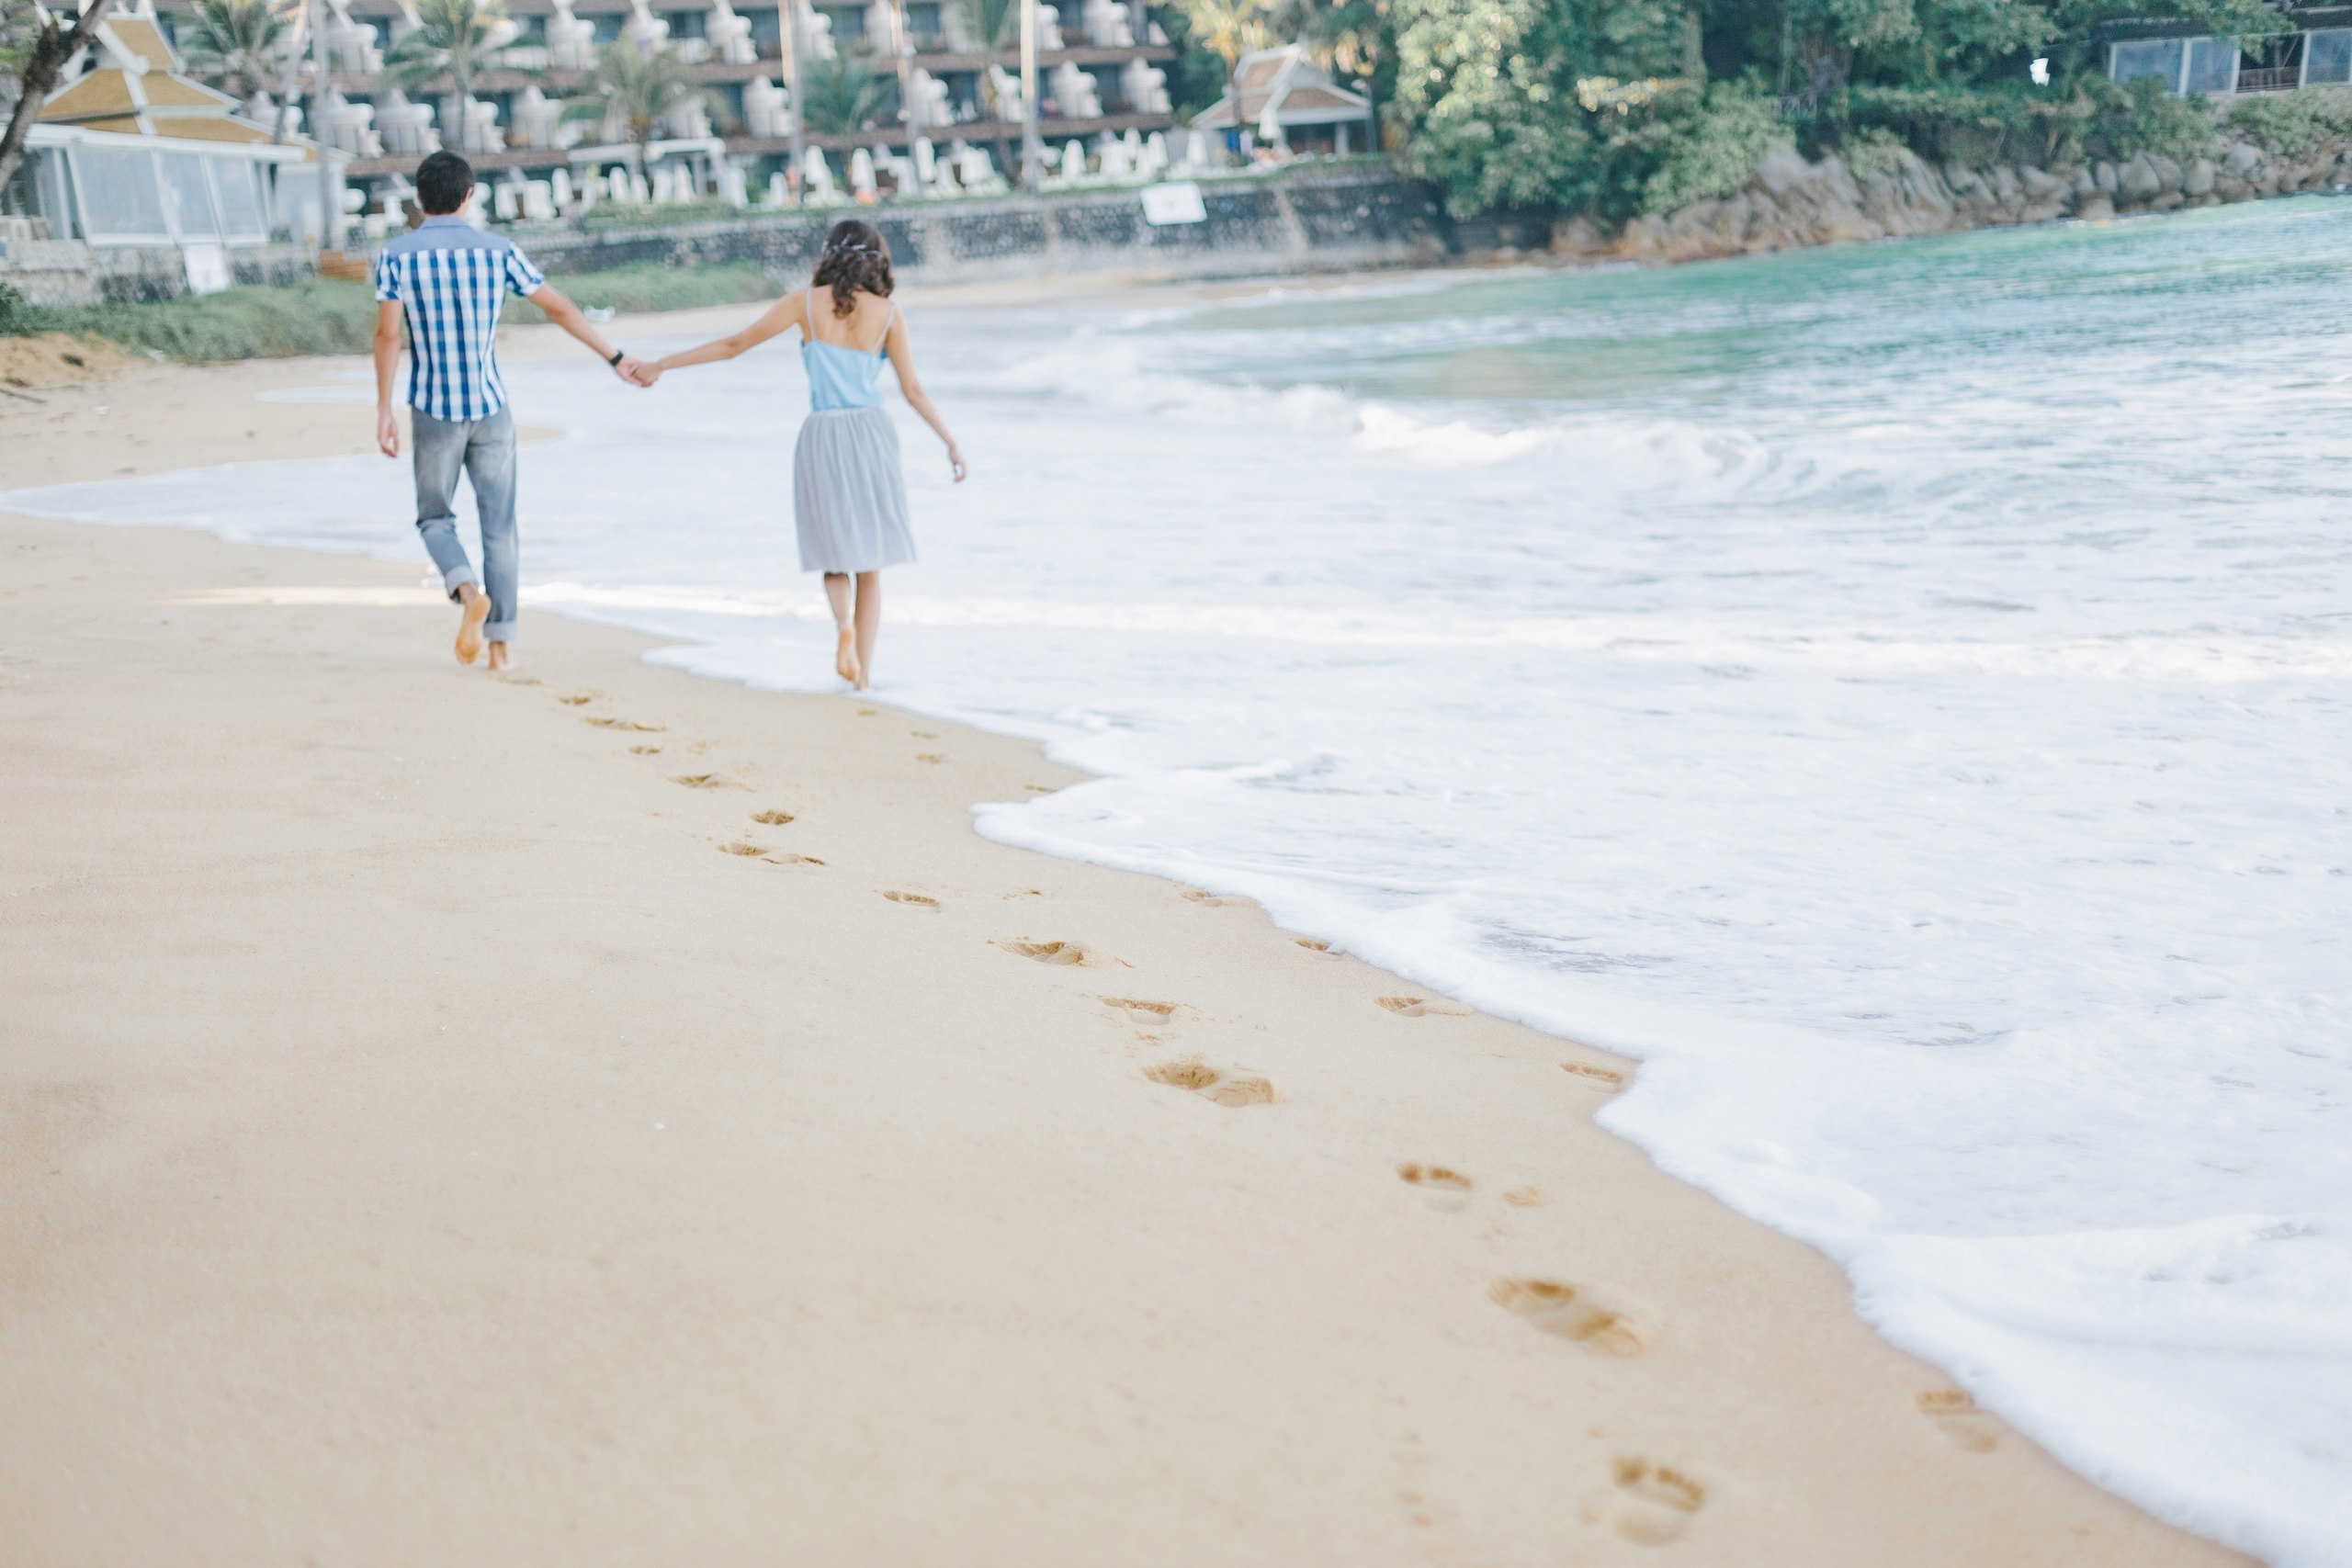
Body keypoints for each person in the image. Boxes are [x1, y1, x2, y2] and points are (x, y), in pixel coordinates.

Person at [631, 220, 964, 690]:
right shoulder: (888, 313)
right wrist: (948, 441)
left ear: (830, 255)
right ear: (876, 259)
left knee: (831, 552)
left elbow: (733, 346)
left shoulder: (803, 304)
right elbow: (912, 389)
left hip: (822, 433)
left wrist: (661, 363)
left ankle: (841, 627)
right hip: (870, 433)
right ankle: (863, 678)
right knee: (870, 565)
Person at [373, 150, 644, 671]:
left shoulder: (398, 256)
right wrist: (614, 355)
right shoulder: (499, 252)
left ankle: (467, 590)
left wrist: (383, 408)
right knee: (500, 527)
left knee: (435, 518)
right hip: (491, 407)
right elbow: (560, 307)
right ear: (470, 196)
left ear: (417, 199)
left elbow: (389, 334)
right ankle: (501, 651)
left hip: (433, 407)